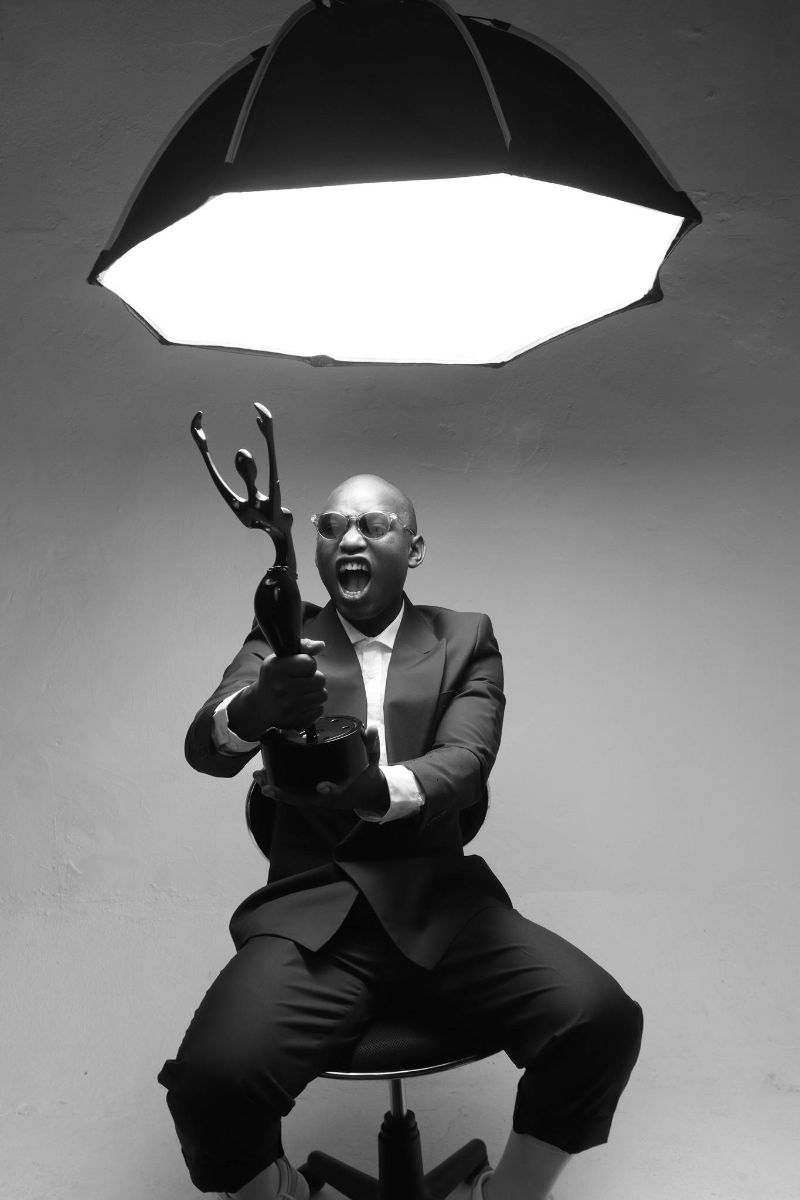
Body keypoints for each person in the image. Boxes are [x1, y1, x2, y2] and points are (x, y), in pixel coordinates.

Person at [159, 474, 643, 1200]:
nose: (349, 539)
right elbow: (207, 747)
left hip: (443, 910)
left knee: (599, 1020)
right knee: (209, 1083)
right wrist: (255, 708)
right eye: (331, 526)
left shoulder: (464, 636)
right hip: (313, 916)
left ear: (413, 549)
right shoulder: (281, 638)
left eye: (374, 526)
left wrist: (379, 790)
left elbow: (467, 761)